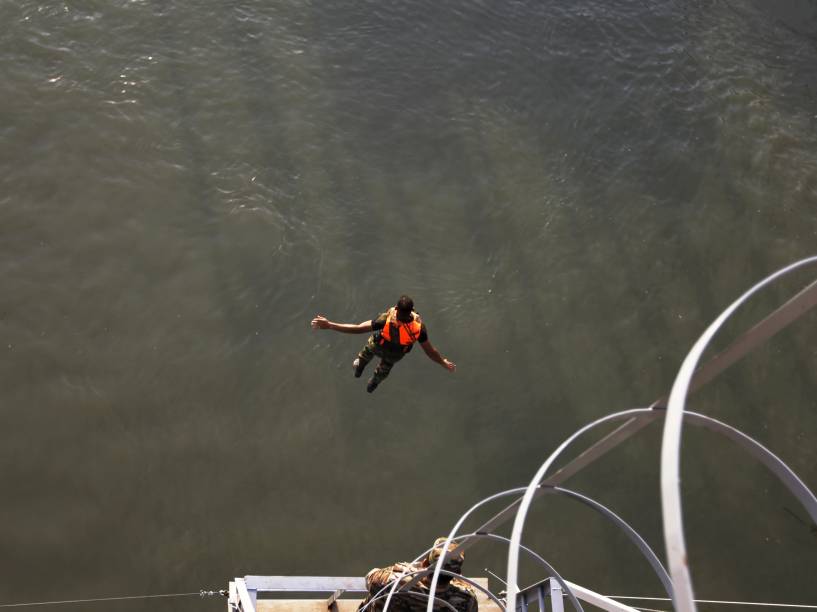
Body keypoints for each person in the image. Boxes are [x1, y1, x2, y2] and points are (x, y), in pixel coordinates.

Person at [311, 295, 456, 393]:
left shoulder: (386, 319)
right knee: (383, 370)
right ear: (412, 311)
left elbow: (358, 328)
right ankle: (373, 384)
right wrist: (443, 362)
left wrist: (330, 325)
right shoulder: (419, 329)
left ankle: (359, 368)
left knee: (365, 354)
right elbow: (431, 351)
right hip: (395, 355)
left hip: (377, 346)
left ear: (397, 309)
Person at [357, 538, 478, 612]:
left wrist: (409, 569)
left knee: (375, 597)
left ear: (425, 562)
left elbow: (370, 576)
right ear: (457, 574)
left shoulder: (393, 583)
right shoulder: (466, 599)